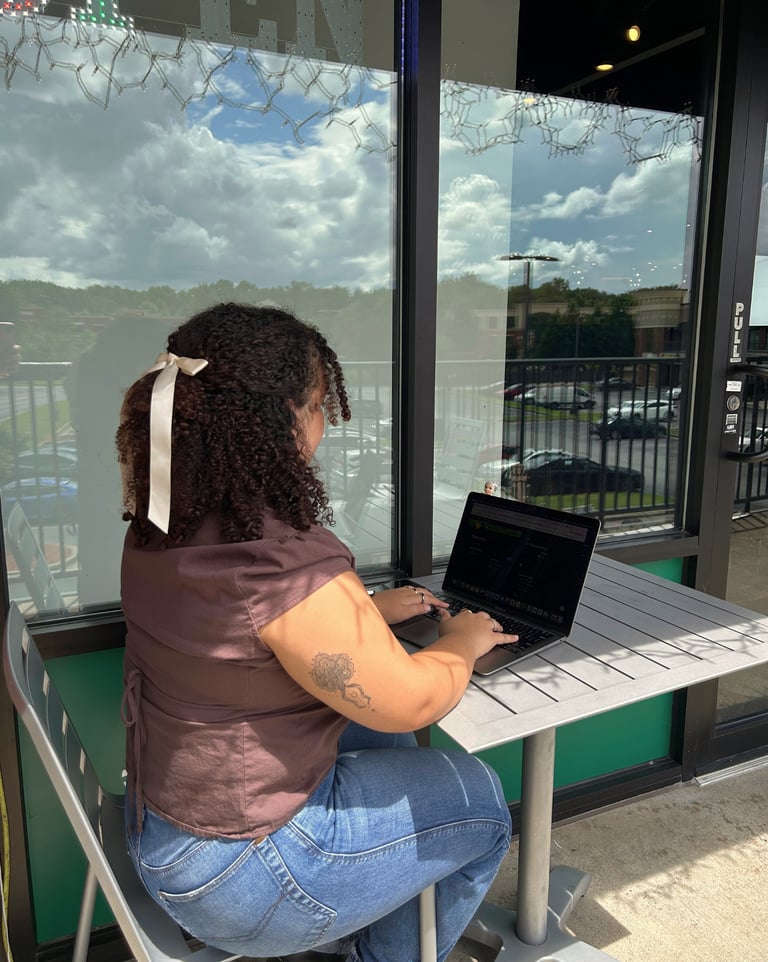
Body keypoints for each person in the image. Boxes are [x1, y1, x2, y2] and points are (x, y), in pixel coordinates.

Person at [116, 302, 514, 962]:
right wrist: (463, 641)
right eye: (322, 405)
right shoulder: (274, 555)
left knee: (390, 745)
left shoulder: (166, 524)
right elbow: (411, 697)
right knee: (481, 800)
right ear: (282, 421)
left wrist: (365, 611)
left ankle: (372, 903)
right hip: (244, 878)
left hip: (166, 831)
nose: (326, 422)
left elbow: (241, 630)